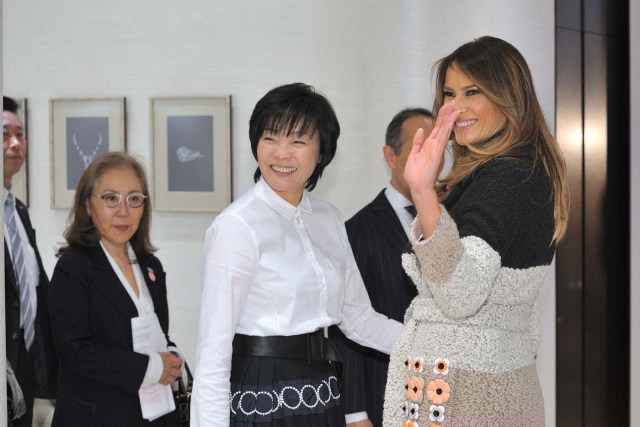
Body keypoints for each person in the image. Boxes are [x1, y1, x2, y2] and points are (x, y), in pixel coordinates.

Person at [191, 82, 405, 427]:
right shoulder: (236, 225)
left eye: (299, 141)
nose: (281, 154)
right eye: (270, 138)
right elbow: (212, 353)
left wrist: (437, 346)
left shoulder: (330, 218)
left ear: (321, 151)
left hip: (323, 389)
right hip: (262, 391)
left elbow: (360, 320)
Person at [382, 36, 569, 426]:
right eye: (449, 94)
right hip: (483, 394)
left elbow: (462, 293)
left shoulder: (508, 176)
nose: (456, 107)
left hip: (468, 402)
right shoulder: (507, 174)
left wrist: (422, 192)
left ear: (509, 96)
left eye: (473, 92)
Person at [48, 152, 183, 426]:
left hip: (151, 414)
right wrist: (151, 367)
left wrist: (170, 356)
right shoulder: (73, 268)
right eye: (110, 198)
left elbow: (153, 333)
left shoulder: (150, 266)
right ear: (88, 205)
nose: (124, 211)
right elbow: (75, 351)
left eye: (134, 199)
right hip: (95, 417)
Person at [328, 108, 434, 427]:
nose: (430, 161)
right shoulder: (358, 229)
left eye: (436, 151)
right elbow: (347, 324)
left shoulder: (451, 218)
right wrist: (355, 412)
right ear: (390, 155)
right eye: (419, 150)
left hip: (444, 391)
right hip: (384, 392)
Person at [4, 96, 58, 427]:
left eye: (20, 134)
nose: (15, 143)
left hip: (22, 367)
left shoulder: (18, 211)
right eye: (4, 134)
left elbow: (33, 287)